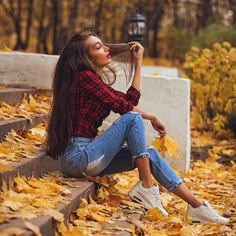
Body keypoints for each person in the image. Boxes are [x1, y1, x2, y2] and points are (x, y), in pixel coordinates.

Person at [46, 32, 229, 224]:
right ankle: (147, 187)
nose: (107, 49)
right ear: (85, 57)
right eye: (98, 47)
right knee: (132, 118)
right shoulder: (84, 78)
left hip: (90, 156)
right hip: (79, 157)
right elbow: (125, 109)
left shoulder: (95, 83)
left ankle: (196, 207)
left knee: (150, 154)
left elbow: (128, 101)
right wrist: (151, 116)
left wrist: (138, 62)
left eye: (103, 45)